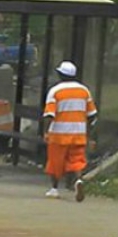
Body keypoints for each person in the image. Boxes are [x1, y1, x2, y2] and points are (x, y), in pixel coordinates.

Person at [41, 60, 97, 202]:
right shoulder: (84, 91)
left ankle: (54, 189)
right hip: (79, 133)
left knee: (55, 161)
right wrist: (88, 134)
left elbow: (49, 115)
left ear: (60, 75)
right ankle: (78, 180)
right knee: (77, 160)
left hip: (59, 134)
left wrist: (46, 132)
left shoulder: (55, 91)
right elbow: (92, 115)